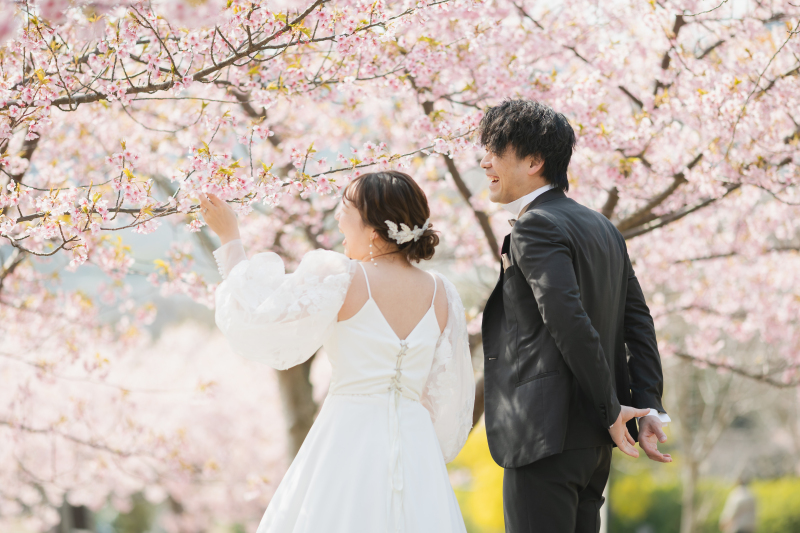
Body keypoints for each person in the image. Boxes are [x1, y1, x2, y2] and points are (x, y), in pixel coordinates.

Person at [199, 170, 474, 533]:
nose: (337, 217)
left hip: (348, 436)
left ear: (374, 230)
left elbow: (259, 314)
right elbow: (446, 396)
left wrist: (230, 237)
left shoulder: (341, 276)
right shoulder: (444, 294)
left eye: (345, 206)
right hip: (416, 447)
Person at [479, 99, 672, 533]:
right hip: (593, 444)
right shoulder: (603, 227)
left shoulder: (535, 225)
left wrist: (612, 408)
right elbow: (639, 323)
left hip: (546, 436)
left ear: (534, 161)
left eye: (494, 150)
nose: (483, 161)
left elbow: (567, 320)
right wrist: (645, 407)